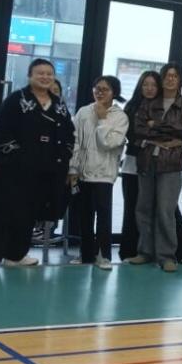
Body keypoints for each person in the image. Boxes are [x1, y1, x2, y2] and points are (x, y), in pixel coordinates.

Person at [0, 58, 75, 272]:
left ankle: (16, 254)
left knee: (28, 212)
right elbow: (1, 131)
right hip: (13, 168)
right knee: (0, 211)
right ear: (30, 76)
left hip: (45, 170)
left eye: (49, 73)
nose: (45, 77)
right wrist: (19, 156)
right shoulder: (16, 99)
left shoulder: (59, 104)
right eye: (40, 73)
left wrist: (63, 155)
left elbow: (68, 134)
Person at [127, 63, 182, 272]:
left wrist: (155, 126)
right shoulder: (148, 103)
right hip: (147, 160)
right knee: (144, 208)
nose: (170, 79)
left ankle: (166, 256)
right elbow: (139, 129)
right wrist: (166, 135)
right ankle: (145, 252)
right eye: (167, 75)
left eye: (175, 76)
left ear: (180, 80)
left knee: (166, 210)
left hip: (172, 163)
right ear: (162, 79)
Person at [69, 76, 129, 269]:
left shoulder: (120, 117)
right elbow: (75, 140)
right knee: (84, 216)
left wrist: (102, 118)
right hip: (83, 172)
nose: (99, 92)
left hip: (104, 174)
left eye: (105, 89)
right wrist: (73, 168)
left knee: (103, 216)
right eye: (97, 88)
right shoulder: (83, 111)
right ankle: (86, 255)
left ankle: (103, 256)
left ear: (114, 93)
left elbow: (109, 143)